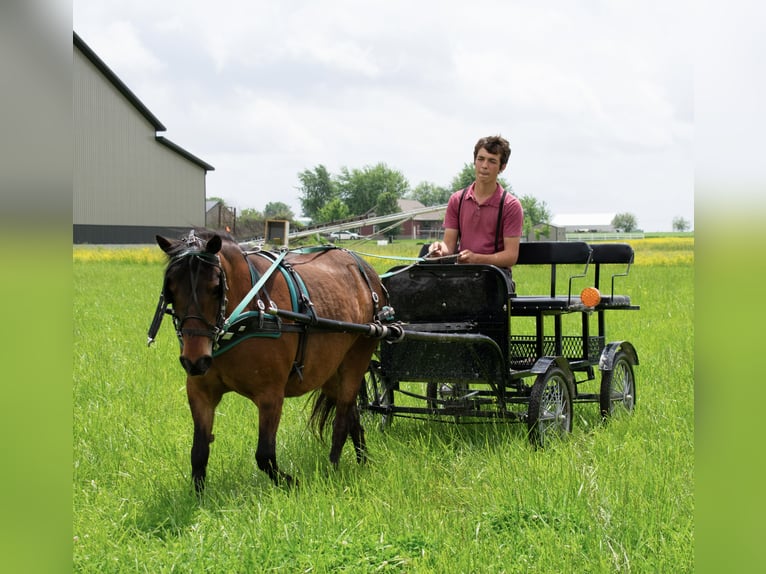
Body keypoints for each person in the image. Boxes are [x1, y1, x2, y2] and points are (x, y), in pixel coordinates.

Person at [428, 135, 524, 286]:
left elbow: (510, 256)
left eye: (492, 161)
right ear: (474, 161)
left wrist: (477, 259)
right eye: (480, 159)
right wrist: (439, 249)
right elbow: (449, 246)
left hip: (496, 276)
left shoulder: (510, 205)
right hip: (462, 275)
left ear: (502, 166)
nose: (484, 165)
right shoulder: (457, 200)